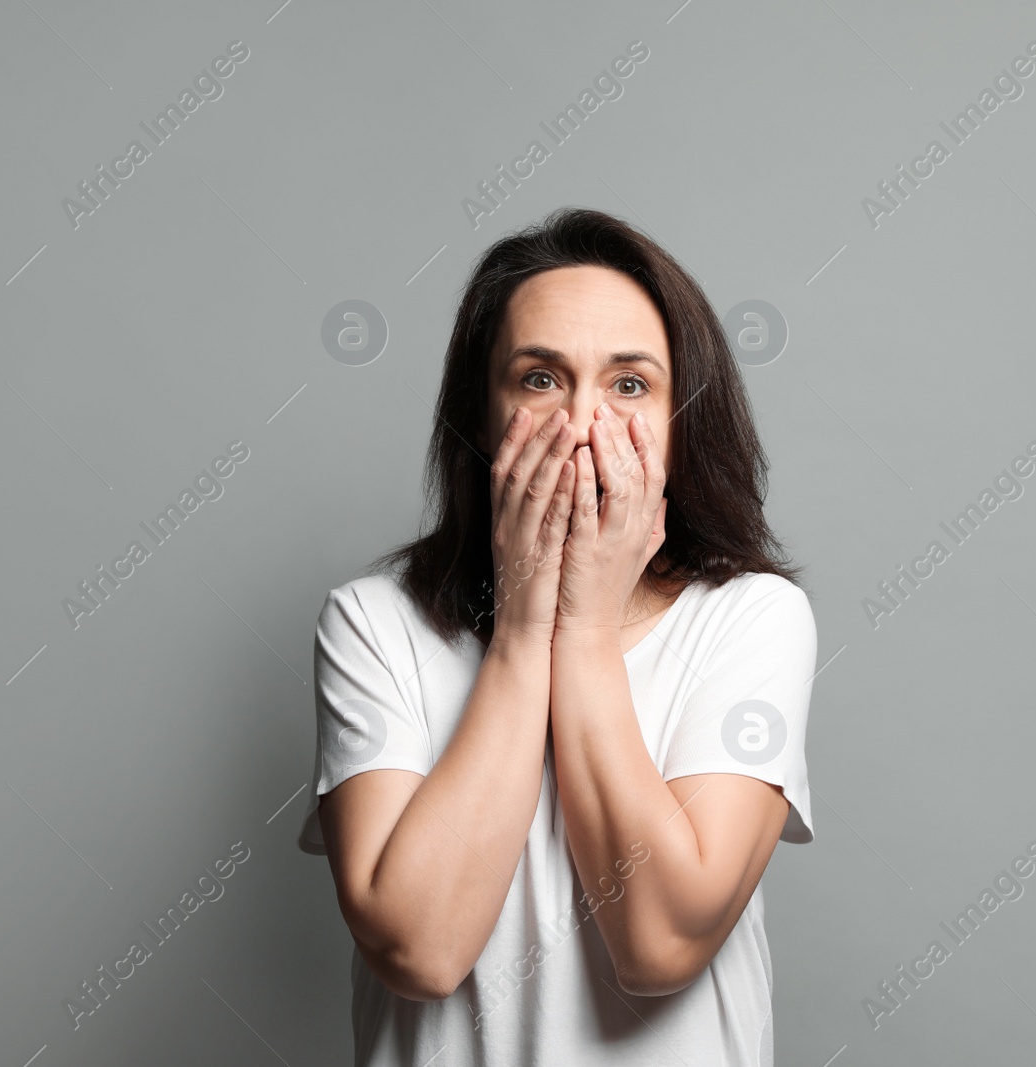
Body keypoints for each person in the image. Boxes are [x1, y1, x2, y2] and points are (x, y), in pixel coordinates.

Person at [297, 206, 818, 1065]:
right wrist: (524, 628)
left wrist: (578, 631)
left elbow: (660, 943)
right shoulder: (374, 623)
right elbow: (418, 949)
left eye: (629, 384)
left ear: (682, 419)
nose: (583, 425)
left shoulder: (750, 618)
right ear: (483, 412)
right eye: (540, 378)